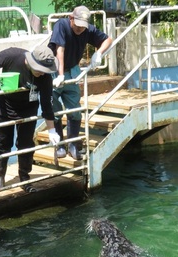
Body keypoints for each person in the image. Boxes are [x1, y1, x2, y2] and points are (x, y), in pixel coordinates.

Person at [0, 45, 61, 193]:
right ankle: (0, 176)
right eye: (40, 70)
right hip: (3, 105)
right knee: (2, 142)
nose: (42, 74)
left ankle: (24, 177)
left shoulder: (45, 77)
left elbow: (47, 104)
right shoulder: (13, 55)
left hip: (28, 108)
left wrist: (52, 130)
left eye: (45, 71)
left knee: (26, 143)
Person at [48, 5, 113, 160]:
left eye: (83, 26)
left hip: (73, 70)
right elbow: (60, 51)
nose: (80, 29)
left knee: (74, 109)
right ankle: (59, 145)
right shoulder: (61, 25)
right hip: (54, 70)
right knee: (54, 108)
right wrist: (60, 75)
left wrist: (99, 53)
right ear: (71, 18)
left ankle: (73, 144)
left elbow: (108, 39)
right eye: (77, 25)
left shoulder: (87, 29)